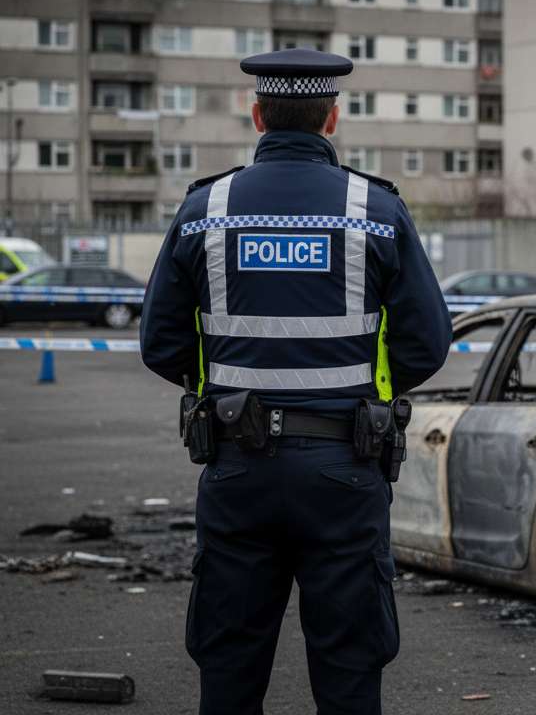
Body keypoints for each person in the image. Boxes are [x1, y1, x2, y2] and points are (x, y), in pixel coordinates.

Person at [139, 48, 451, 715]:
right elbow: (427, 343)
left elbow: (159, 342)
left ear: (258, 115)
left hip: (235, 471)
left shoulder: (205, 209)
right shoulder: (376, 209)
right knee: (349, 665)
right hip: (346, 469)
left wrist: (221, 388)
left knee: (228, 661)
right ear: (331, 118)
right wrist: (370, 388)